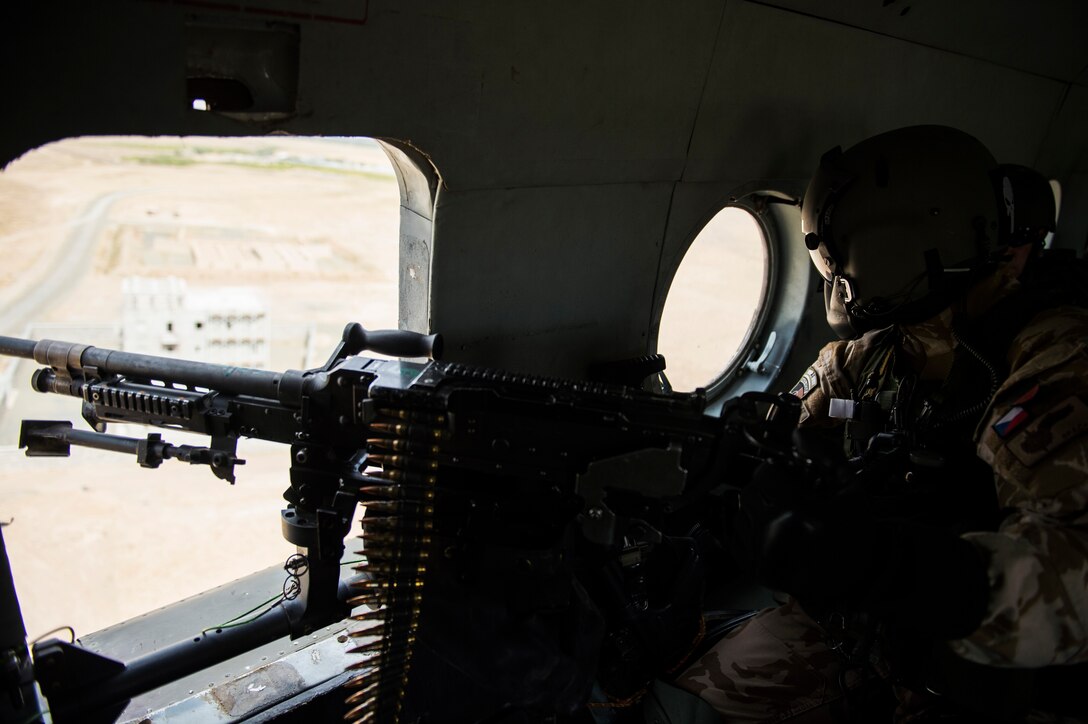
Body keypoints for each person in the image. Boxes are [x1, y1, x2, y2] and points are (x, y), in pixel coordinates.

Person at [676, 125, 1088, 722]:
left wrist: (888, 568)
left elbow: (1072, 576)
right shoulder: (877, 354)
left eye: (836, 250)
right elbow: (787, 429)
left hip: (995, 667)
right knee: (686, 704)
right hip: (866, 629)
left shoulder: (1057, 359)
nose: (831, 270)